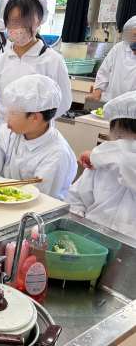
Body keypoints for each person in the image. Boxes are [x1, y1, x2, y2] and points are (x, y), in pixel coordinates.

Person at [0, 0, 72, 128]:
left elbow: (63, 102)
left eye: (26, 21)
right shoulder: (0, 62)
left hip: (38, 135)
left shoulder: (53, 61)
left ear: (39, 21)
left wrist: (32, 124)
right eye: (14, 21)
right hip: (5, 132)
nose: (19, 27)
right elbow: (1, 102)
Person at [67, 91, 136, 239]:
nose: (119, 143)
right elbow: (76, 198)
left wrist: (98, 155)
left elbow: (129, 161)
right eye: (118, 137)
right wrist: (77, 225)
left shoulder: (102, 158)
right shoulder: (100, 165)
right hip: (90, 236)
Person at [87, 16, 136, 103]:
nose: (133, 39)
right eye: (133, 35)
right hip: (111, 101)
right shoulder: (118, 48)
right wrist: (97, 92)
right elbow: (104, 72)